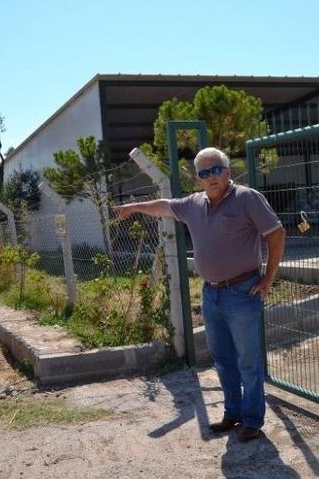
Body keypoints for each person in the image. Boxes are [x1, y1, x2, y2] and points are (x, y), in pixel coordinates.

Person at [115, 147, 285, 442]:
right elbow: (165, 205)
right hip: (212, 294)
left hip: (243, 292)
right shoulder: (194, 204)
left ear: (227, 172)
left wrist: (268, 278)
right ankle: (232, 413)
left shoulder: (247, 198)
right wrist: (135, 207)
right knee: (222, 359)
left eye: (216, 169)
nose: (211, 177)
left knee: (248, 360)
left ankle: (252, 420)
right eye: (204, 173)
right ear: (199, 179)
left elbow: (277, 233)